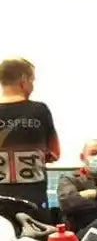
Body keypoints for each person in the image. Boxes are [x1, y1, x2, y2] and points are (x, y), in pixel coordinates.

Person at [0, 58, 60, 213]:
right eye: (32, 80)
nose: (32, 86)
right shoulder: (39, 111)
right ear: (23, 80)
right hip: (33, 196)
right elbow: (54, 153)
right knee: (35, 236)